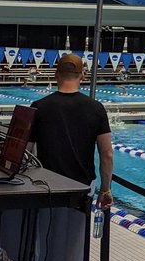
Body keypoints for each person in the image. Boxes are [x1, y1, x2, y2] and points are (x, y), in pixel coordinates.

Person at [30, 55, 113, 200]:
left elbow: (26, 151)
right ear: (82, 75)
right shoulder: (96, 108)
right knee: (79, 222)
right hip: (83, 185)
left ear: (56, 74)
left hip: (47, 185)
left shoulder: (39, 107)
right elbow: (107, 154)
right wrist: (105, 190)